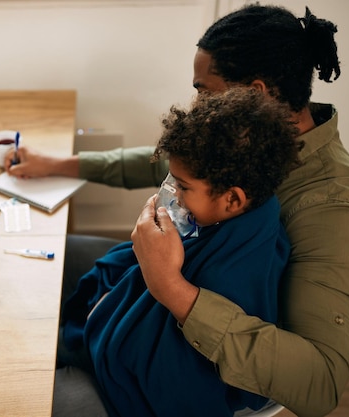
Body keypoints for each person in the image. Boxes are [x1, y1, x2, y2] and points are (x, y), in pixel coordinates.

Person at [7, 4, 349, 416]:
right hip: (160, 298)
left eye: (205, 90)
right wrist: (57, 165)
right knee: (38, 258)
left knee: (19, 395)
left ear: (253, 93)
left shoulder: (333, 207)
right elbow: (164, 163)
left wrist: (172, 289)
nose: (197, 102)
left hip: (184, 365)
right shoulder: (248, 134)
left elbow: (321, 382)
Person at [57, 87, 303, 416]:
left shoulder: (229, 276)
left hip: (131, 391)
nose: (175, 196)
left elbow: (180, 379)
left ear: (232, 199)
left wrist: (116, 312)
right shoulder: (248, 212)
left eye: (183, 187)